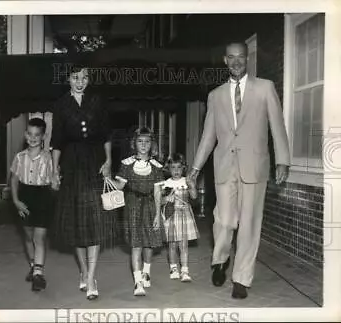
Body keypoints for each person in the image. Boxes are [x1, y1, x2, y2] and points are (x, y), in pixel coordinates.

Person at [188, 42, 290, 299]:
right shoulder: (215, 95)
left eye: (241, 58)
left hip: (255, 166)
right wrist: (195, 168)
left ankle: (241, 279)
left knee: (249, 224)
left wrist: (283, 160)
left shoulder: (265, 88)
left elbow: (277, 125)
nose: (236, 62)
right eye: (231, 58)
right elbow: (208, 137)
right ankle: (220, 259)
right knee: (224, 220)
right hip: (224, 166)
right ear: (225, 60)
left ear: (248, 59)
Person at [50, 66, 112, 301]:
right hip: (71, 164)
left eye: (84, 77)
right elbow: (56, 140)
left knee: (94, 219)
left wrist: (108, 161)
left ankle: (92, 277)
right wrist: (55, 169)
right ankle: (85, 272)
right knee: (76, 221)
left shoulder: (97, 101)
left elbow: (106, 134)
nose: (80, 81)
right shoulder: (61, 104)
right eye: (75, 77)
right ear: (68, 78)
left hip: (94, 162)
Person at [109, 127, 164, 296]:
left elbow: (157, 192)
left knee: (149, 243)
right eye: (140, 141)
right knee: (136, 244)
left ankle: (146, 271)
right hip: (132, 206)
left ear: (151, 144)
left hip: (149, 206)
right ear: (134, 143)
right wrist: (107, 179)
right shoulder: (126, 165)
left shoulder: (156, 167)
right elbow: (119, 186)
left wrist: (157, 214)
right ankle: (138, 281)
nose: (143, 145)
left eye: (147, 141)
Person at [10, 117, 53, 292]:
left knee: (39, 237)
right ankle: (34, 265)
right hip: (25, 197)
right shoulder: (19, 157)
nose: (33, 137)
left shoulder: (48, 158)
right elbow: (13, 180)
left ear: (43, 136)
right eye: (30, 133)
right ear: (25, 134)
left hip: (43, 196)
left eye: (37, 134)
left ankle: (38, 274)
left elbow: (54, 181)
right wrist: (16, 201)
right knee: (28, 237)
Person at [156, 153, 199, 282]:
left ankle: (185, 270)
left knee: (183, 245)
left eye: (179, 167)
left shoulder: (186, 181)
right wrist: (165, 199)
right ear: (168, 169)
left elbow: (194, 196)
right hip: (171, 216)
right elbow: (159, 201)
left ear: (183, 168)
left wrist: (192, 186)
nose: (176, 171)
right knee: (172, 245)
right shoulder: (165, 183)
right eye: (173, 167)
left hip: (184, 216)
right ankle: (174, 268)